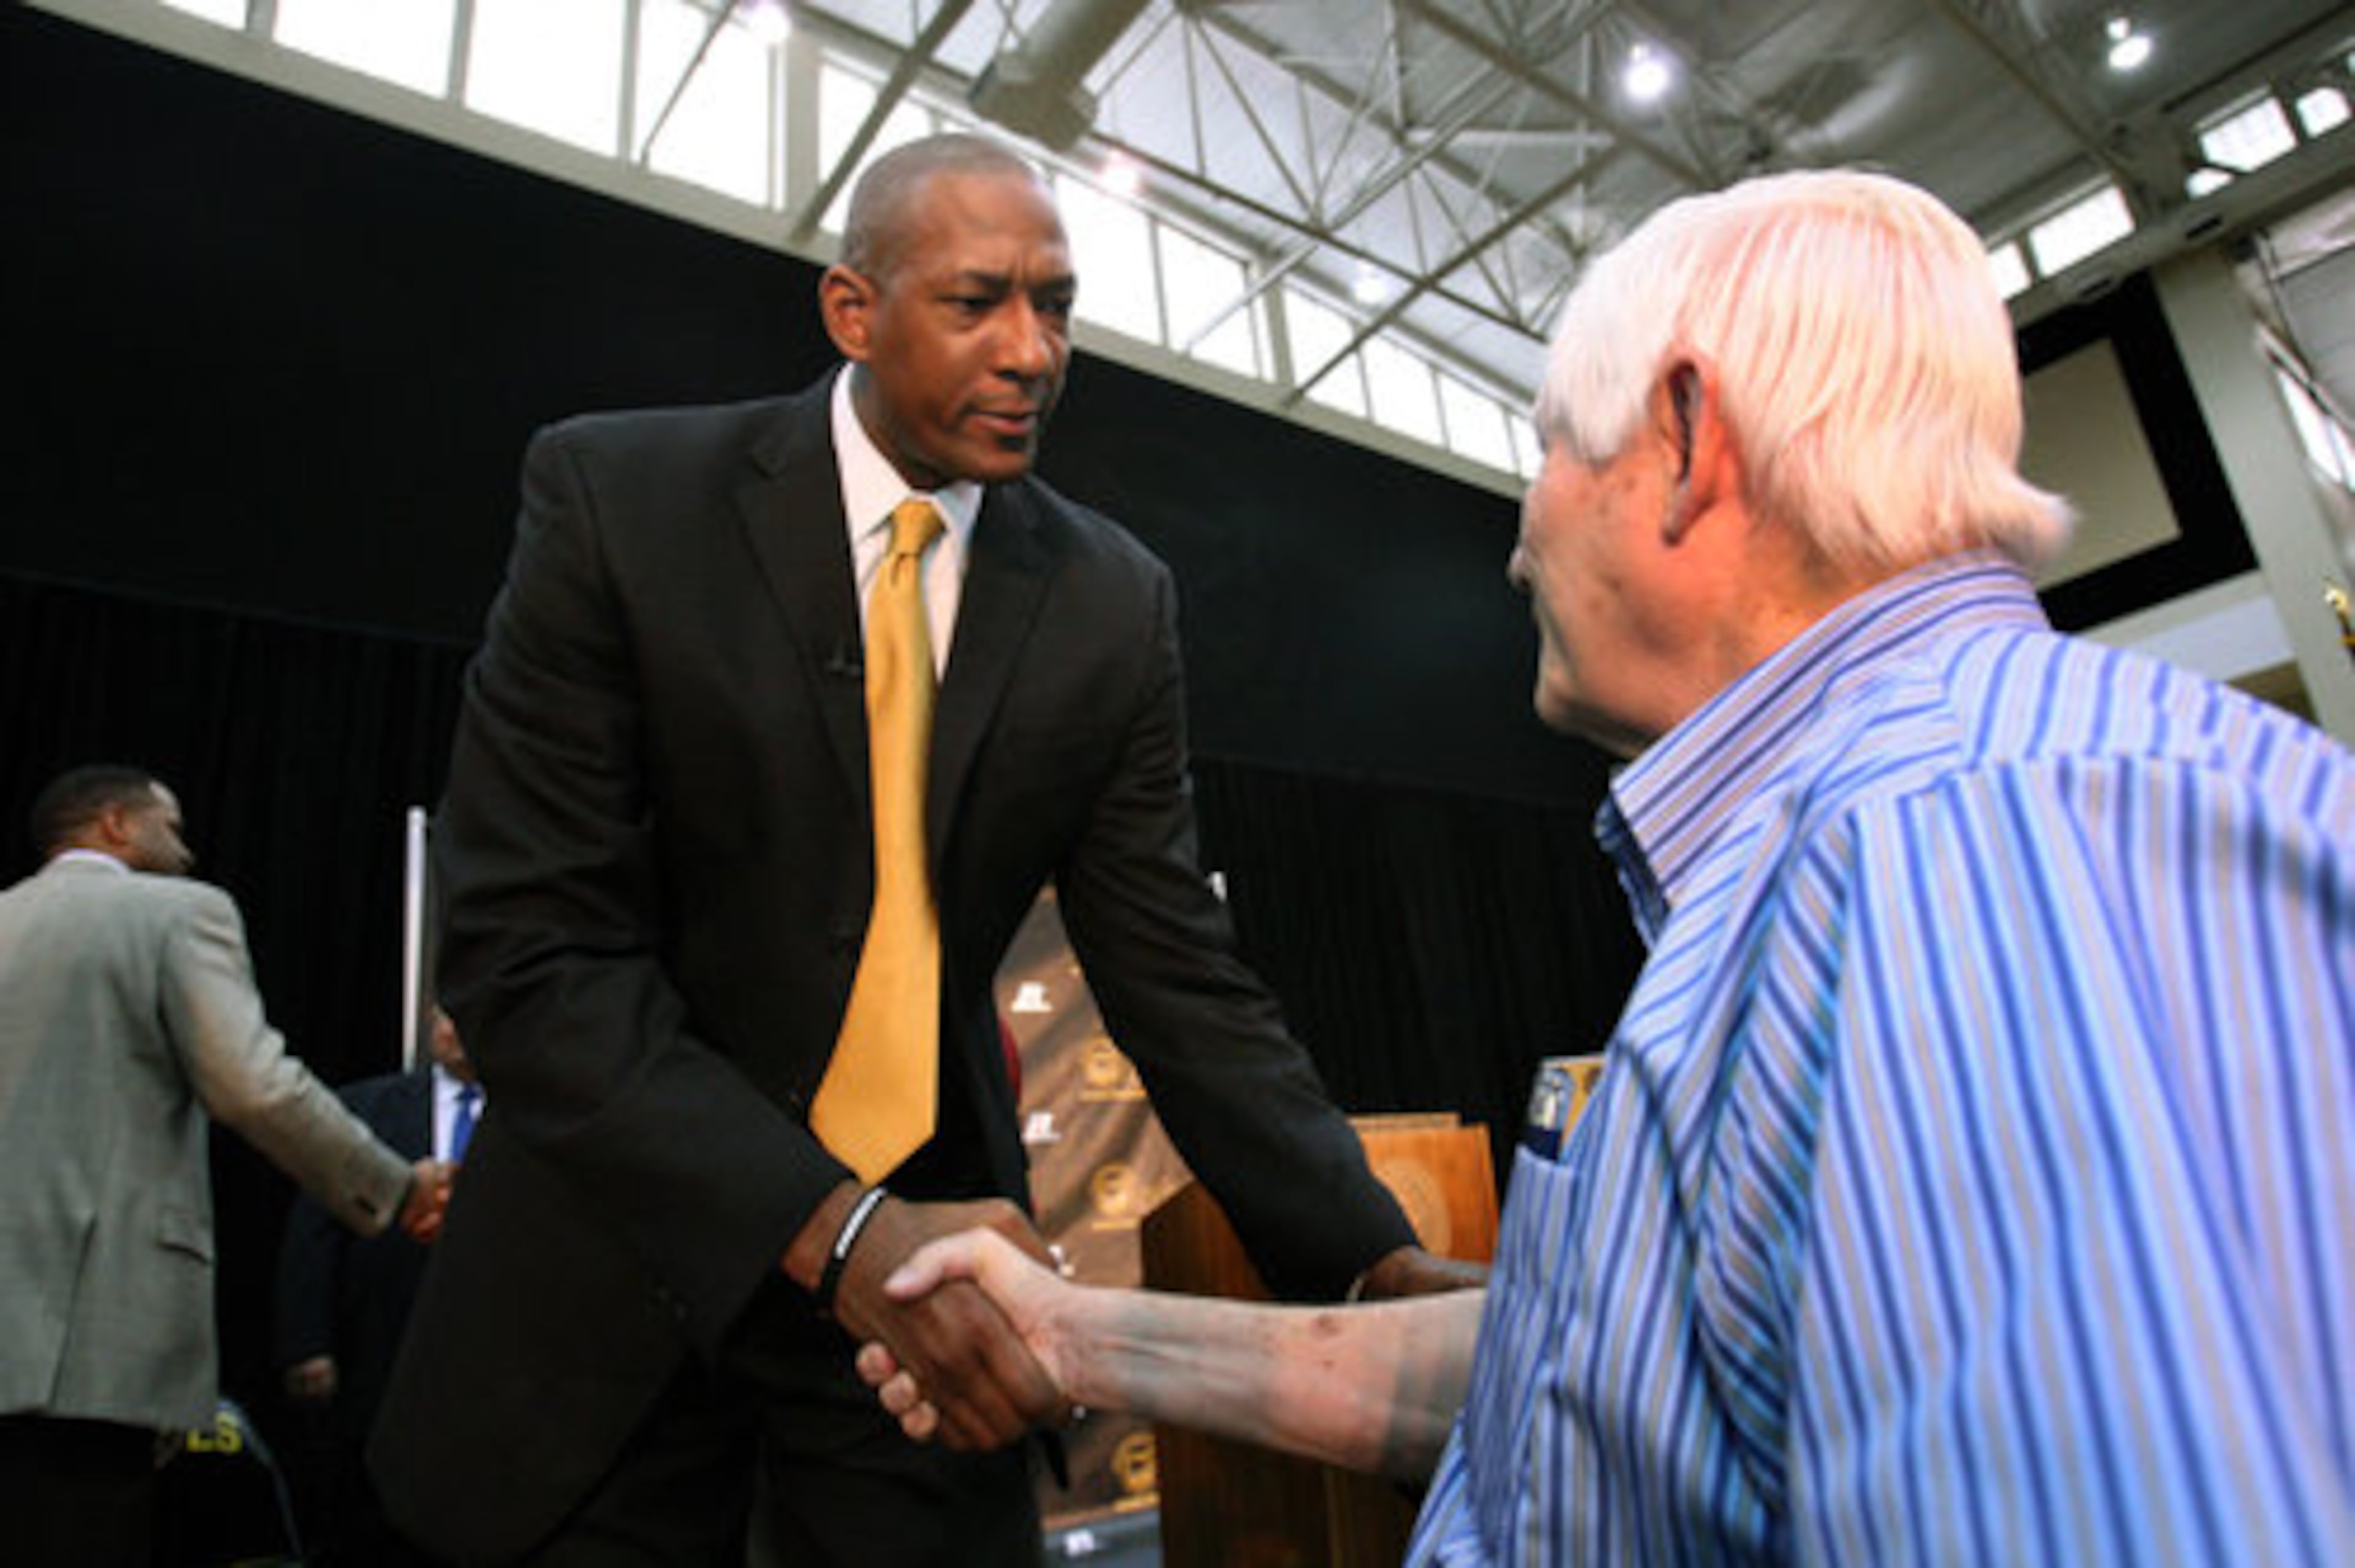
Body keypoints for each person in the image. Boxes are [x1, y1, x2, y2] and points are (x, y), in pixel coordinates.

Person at [866, 168, 2355, 1565]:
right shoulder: (1879, 838)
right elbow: (1602, 1377)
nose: (1519, 542)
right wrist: (1077, 1335)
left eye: (1546, 450)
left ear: (1686, 440)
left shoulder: (1967, 845)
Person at [368, 131, 1465, 1567]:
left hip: (930, 1294)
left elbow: (1178, 977)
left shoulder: (1107, 602)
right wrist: (835, 1231)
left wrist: (1368, 1262)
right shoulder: (620, 504)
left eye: (1057, 304)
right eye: (977, 301)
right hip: (617, 1270)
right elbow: (529, 956)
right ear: (851, 311)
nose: (1033, 352)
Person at [0, 765, 451, 1567]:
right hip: (91, 1345)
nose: (185, 847)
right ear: (115, 824)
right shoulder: (177, 912)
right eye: (169, 827)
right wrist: (397, 1186)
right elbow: (255, 1087)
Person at [274, 1007, 477, 1566]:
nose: (452, 1026)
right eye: (444, 1011)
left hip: (490, 1372)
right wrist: (307, 1342)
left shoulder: (534, 1119)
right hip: (380, 1354)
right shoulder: (363, 1108)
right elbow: (312, 1232)